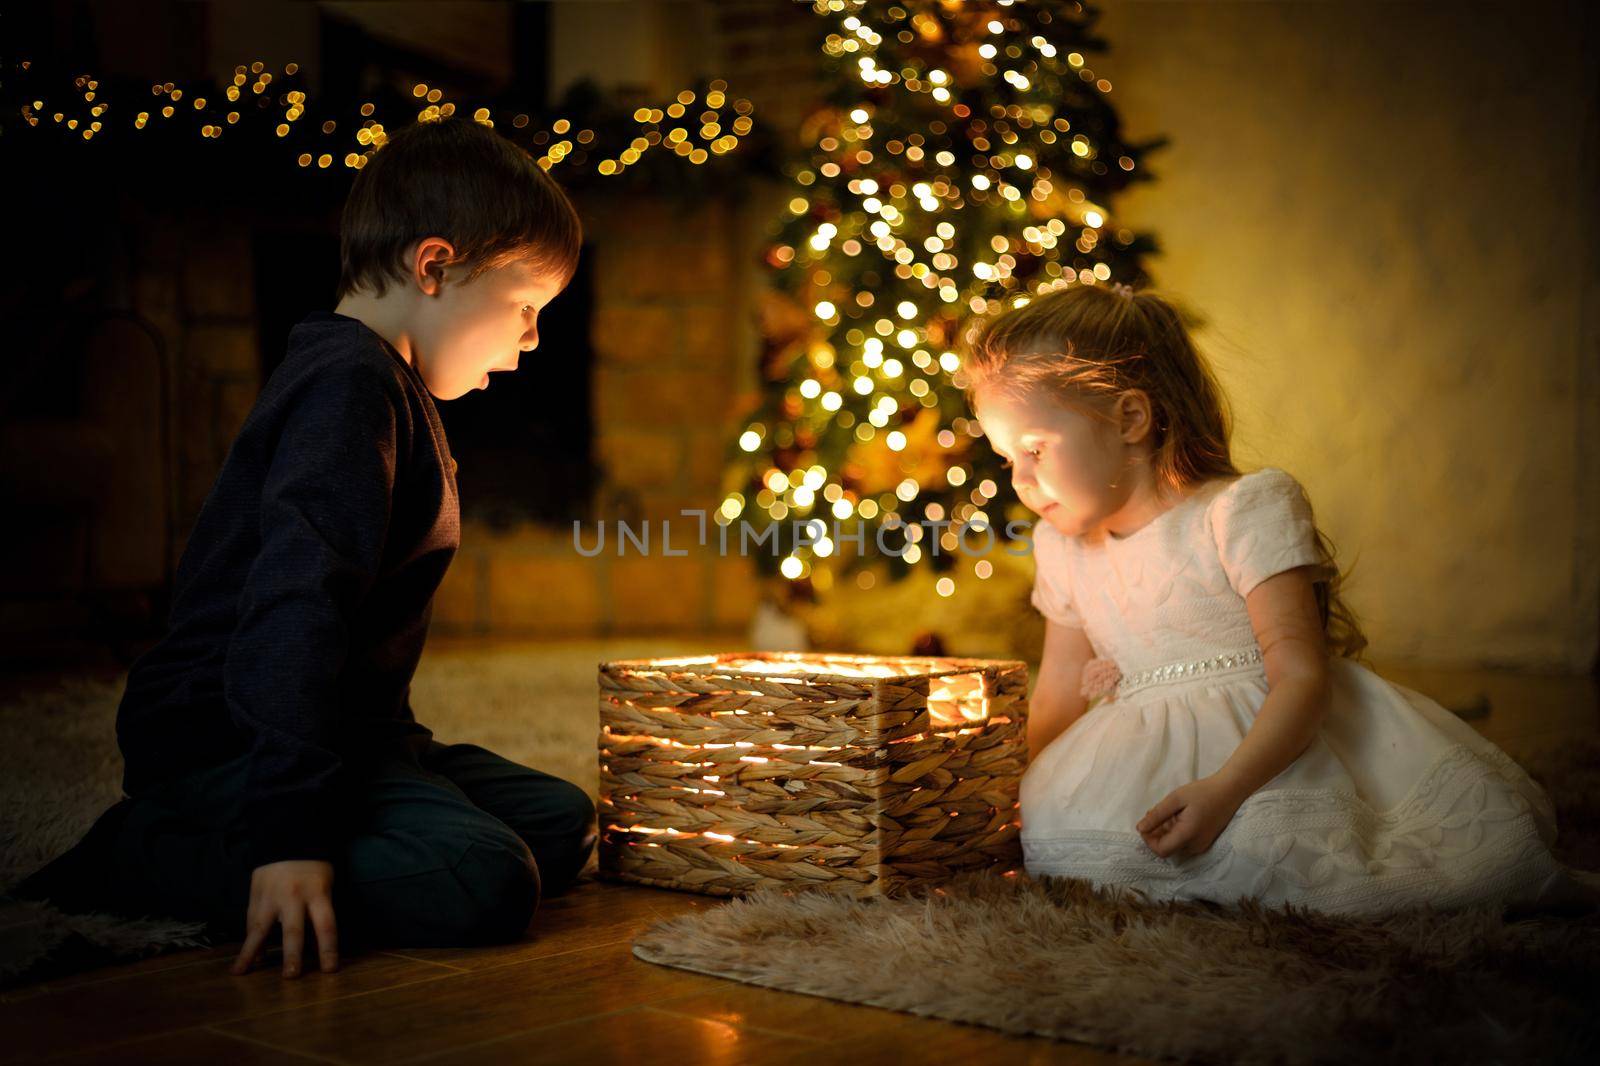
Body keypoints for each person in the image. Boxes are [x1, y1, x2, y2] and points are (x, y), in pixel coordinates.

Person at [15, 118, 598, 975]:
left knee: (559, 820)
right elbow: (296, 605)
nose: (533, 338)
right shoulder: (346, 388)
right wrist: (289, 835)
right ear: (433, 266)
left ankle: (352, 817)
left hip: (348, 731)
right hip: (230, 736)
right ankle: (152, 849)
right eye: (524, 307)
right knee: (485, 879)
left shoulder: (392, 385)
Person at [962, 282, 1597, 918]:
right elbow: (1057, 697)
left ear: (1131, 419)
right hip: (1139, 745)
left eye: (1035, 449)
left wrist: (1225, 789)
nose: (1019, 479)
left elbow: (1300, 674)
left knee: (1305, 856)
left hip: (1268, 743)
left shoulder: (1240, 510)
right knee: (1061, 833)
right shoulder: (1064, 548)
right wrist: (1003, 796)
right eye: (1005, 456)